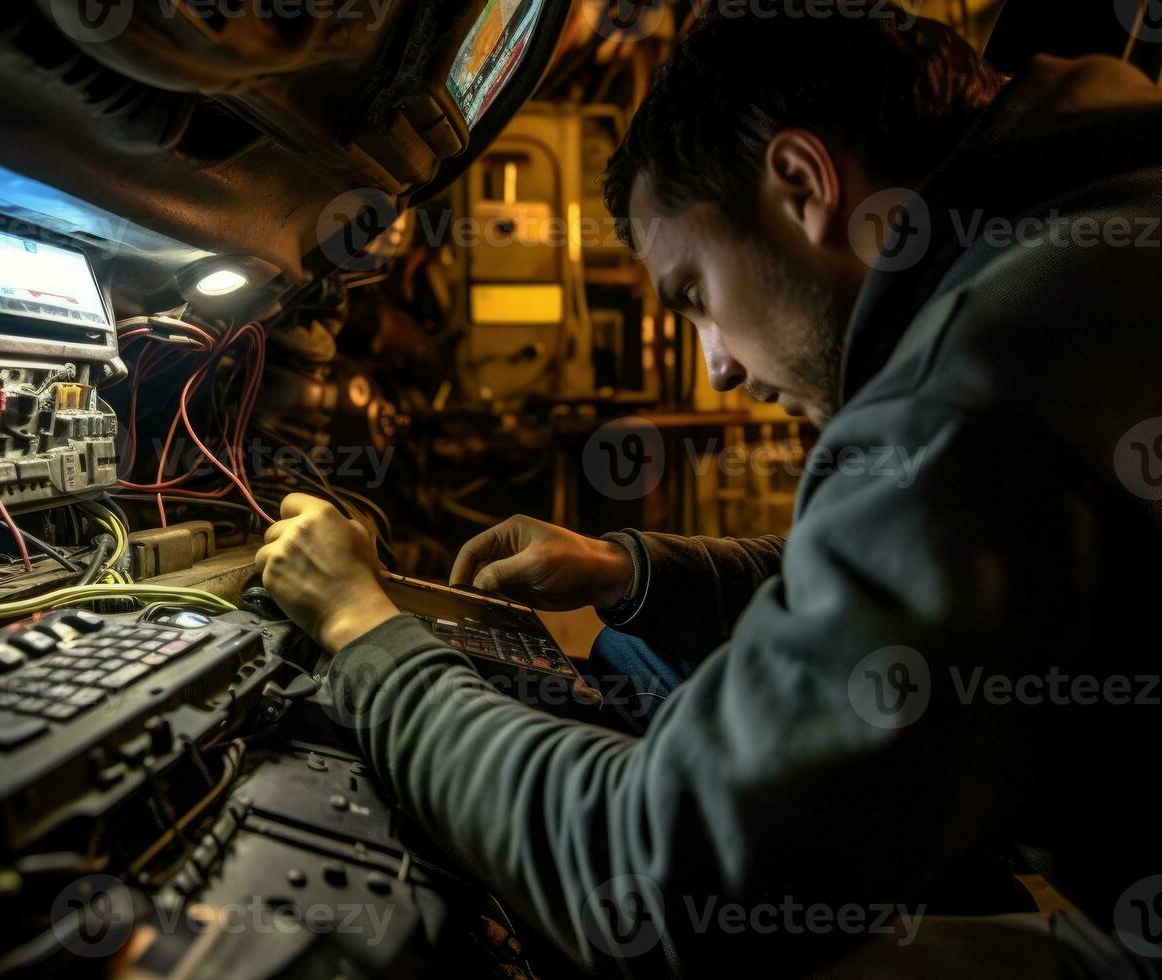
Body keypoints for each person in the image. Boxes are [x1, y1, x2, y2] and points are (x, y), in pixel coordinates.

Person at [254, 5, 1162, 976]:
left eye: (691, 295)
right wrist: (632, 569)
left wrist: (364, 632)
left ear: (804, 184)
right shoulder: (1084, 241)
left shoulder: (985, 369)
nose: (717, 366)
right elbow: (911, 577)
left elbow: (656, 878)